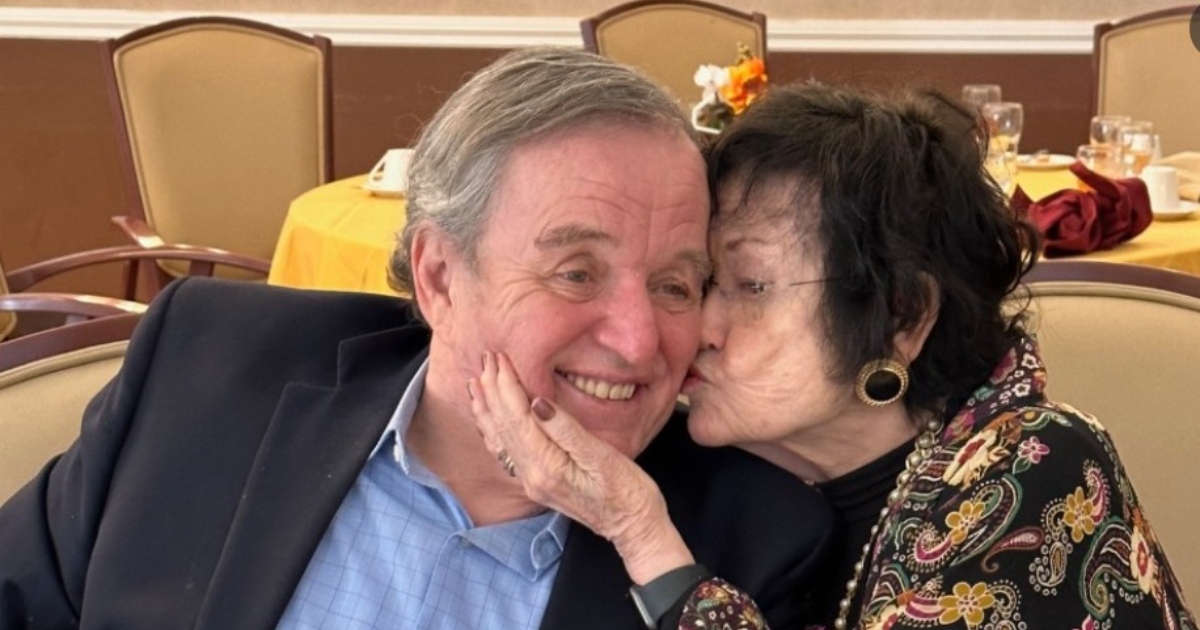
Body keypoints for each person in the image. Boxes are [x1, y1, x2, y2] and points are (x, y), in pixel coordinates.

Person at [0, 48, 833, 629]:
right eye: (576, 272)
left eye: (675, 285)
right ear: (437, 277)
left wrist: (643, 540)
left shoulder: (745, 547)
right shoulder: (210, 368)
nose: (639, 341)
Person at [468, 82, 1196, 629]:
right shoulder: (749, 475)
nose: (700, 327)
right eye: (699, 282)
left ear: (902, 319)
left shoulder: (1036, 467)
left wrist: (640, 533)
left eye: (751, 285)